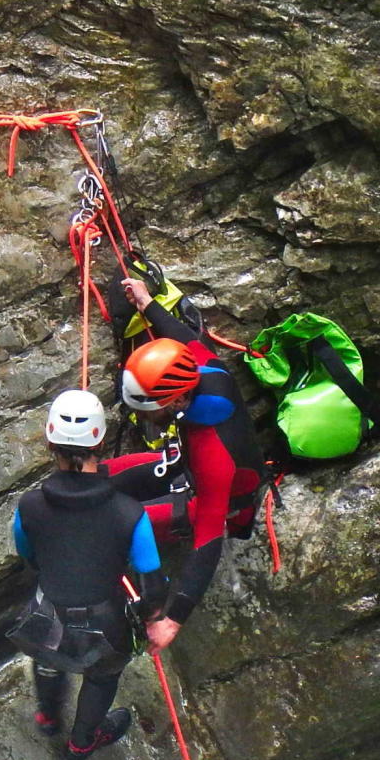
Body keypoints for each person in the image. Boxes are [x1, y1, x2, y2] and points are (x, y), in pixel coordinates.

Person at [104, 275, 266, 649]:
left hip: (210, 496)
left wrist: (173, 620)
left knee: (116, 523)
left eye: (149, 410)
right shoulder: (202, 367)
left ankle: (144, 595)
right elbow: (182, 335)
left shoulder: (213, 451)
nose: (145, 418)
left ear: (177, 401)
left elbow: (208, 540)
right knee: (98, 477)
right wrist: (145, 302)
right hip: (181, 464)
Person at [9, 389, 168, 760]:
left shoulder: (29, 506)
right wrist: (147, 616)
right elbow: (154, 586)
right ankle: (81, 743)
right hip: (105, 619)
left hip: (48, 609)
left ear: (50, 441)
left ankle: (48, 717)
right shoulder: (129, 514)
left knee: (47, 657)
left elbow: (27, 554)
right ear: (100, 439)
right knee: (101, 676)